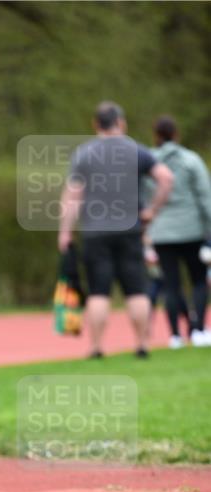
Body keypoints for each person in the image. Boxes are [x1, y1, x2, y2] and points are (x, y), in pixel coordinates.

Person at [59, 101, 173, 359]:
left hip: (94, 232)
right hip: (131, 230)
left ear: (95, 124)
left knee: (99, 291)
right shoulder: (137, 151)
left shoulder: (84, 154)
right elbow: (166, 179)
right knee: (136, 289)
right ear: (121, 123)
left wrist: (65, 232)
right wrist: (151, 212)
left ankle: (97, 347)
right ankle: (142, 345)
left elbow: (73, 195)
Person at [148, 115, 211, 348]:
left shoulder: (148, 162)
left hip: (161, 232)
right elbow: (205, 197)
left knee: (171, 285)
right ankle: (199, 331)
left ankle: (175, 336)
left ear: (156, 135)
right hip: (192, 230)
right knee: (198, 281)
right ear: (176, 134)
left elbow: (144, 197)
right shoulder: (191, 160)